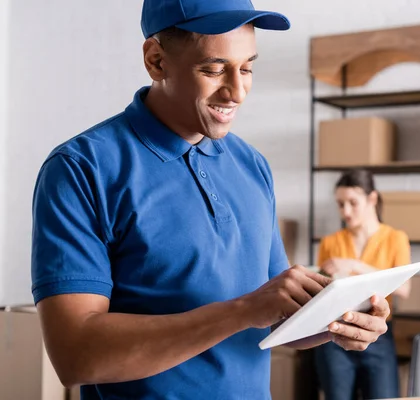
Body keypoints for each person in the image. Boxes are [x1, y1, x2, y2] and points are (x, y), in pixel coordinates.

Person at [29, 1, 393, 399]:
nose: (237, 91)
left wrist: (339, 320)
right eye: (214, 69)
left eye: (248, 67)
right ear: (156, 61)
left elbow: (276, 317)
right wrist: (243, 310)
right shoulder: (82, 169)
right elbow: (75, 355)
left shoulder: (252, 165)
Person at [314, 169, 412, 400]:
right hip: (333, 334)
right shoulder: (330, 242)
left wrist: (352, 265)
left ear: (372, 199)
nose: (345, 211)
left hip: (378, 334)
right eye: (340, 204)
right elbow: (322, 292)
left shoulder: (395, 238)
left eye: (352, 203)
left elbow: (404, 288)